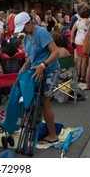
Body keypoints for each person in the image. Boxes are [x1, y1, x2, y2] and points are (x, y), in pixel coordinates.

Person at [15, 12, 60, 144]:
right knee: (37, 101)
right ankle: (38, 129)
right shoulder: (26, 36)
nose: (22, 30)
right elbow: (32, 55)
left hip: (50, 70)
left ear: (29, 23)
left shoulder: (40, 33)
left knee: (45, 103)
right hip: (37, 71)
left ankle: (53, 135)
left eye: (23, 27)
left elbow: (55, 52)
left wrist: (43, 65)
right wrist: (24, 67)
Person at [71, 6, 90, 83]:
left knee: (79, 58)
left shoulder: (78, 21)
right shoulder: (88, 21)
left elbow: (72, 31)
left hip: (77, 40)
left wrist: (72, 39)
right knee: (84, 59)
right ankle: (83, 76)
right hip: (85, 41)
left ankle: (78, 74)